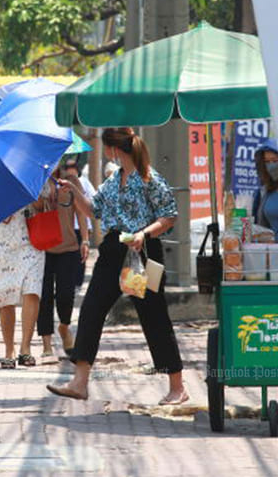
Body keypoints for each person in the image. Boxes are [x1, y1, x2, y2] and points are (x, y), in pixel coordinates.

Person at [47, 127, 188, 404]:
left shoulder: (150, 178)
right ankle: (80, 381)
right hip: (113, 251)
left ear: (112, 149)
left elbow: (169, 216)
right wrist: (75, 190)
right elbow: (94, 211)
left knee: (153, 316)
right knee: (92, 308)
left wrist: (144, 234)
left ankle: (177, 386)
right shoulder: (114, 181)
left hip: (143, 253)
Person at [38, 167, 90, 359]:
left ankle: (64, 326)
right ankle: (46, 343)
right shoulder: (36, 179)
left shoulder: (70, 181)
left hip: (68, 246)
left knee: (66, 294)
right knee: (43, 296)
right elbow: (31, 210)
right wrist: (44, 197)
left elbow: (81, 212)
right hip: (42, 247)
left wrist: (85, 239)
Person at [0, 196, 47, 368]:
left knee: (32, 291)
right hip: (3, 243)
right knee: (5, 294)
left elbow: (42, 205)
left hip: (32, 239)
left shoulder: (32, 175)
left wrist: (31, 196)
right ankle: (9, 350)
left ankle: (25, 349)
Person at [60, 157, 93, 288]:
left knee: (81, 256)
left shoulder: (84, 182)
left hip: (81, 225)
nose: (70, 170)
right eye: (68, 167)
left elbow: (91, 200)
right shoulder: (61, 182)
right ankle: (69, 282)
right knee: (69, 257)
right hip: (68, 227)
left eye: (73, 167)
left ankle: (78, 282)